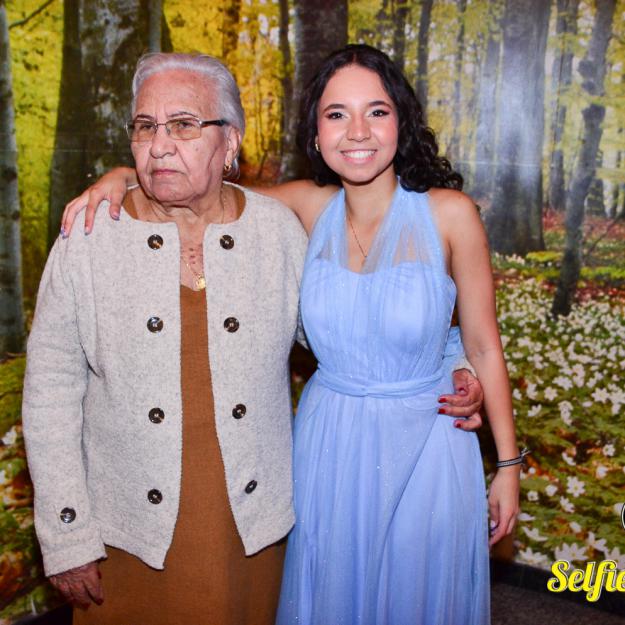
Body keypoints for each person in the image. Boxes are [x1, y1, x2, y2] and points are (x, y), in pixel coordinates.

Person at [24, 52, 483, 624]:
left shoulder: (275, 230)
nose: (159, 145)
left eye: (184, 125)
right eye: (145, 126)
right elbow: (49, 394)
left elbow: (352, 328)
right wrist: (66, 533)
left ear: (230, 142)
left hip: (249, 530)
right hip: (124, 532)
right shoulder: (90, 236)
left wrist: (454, 358)